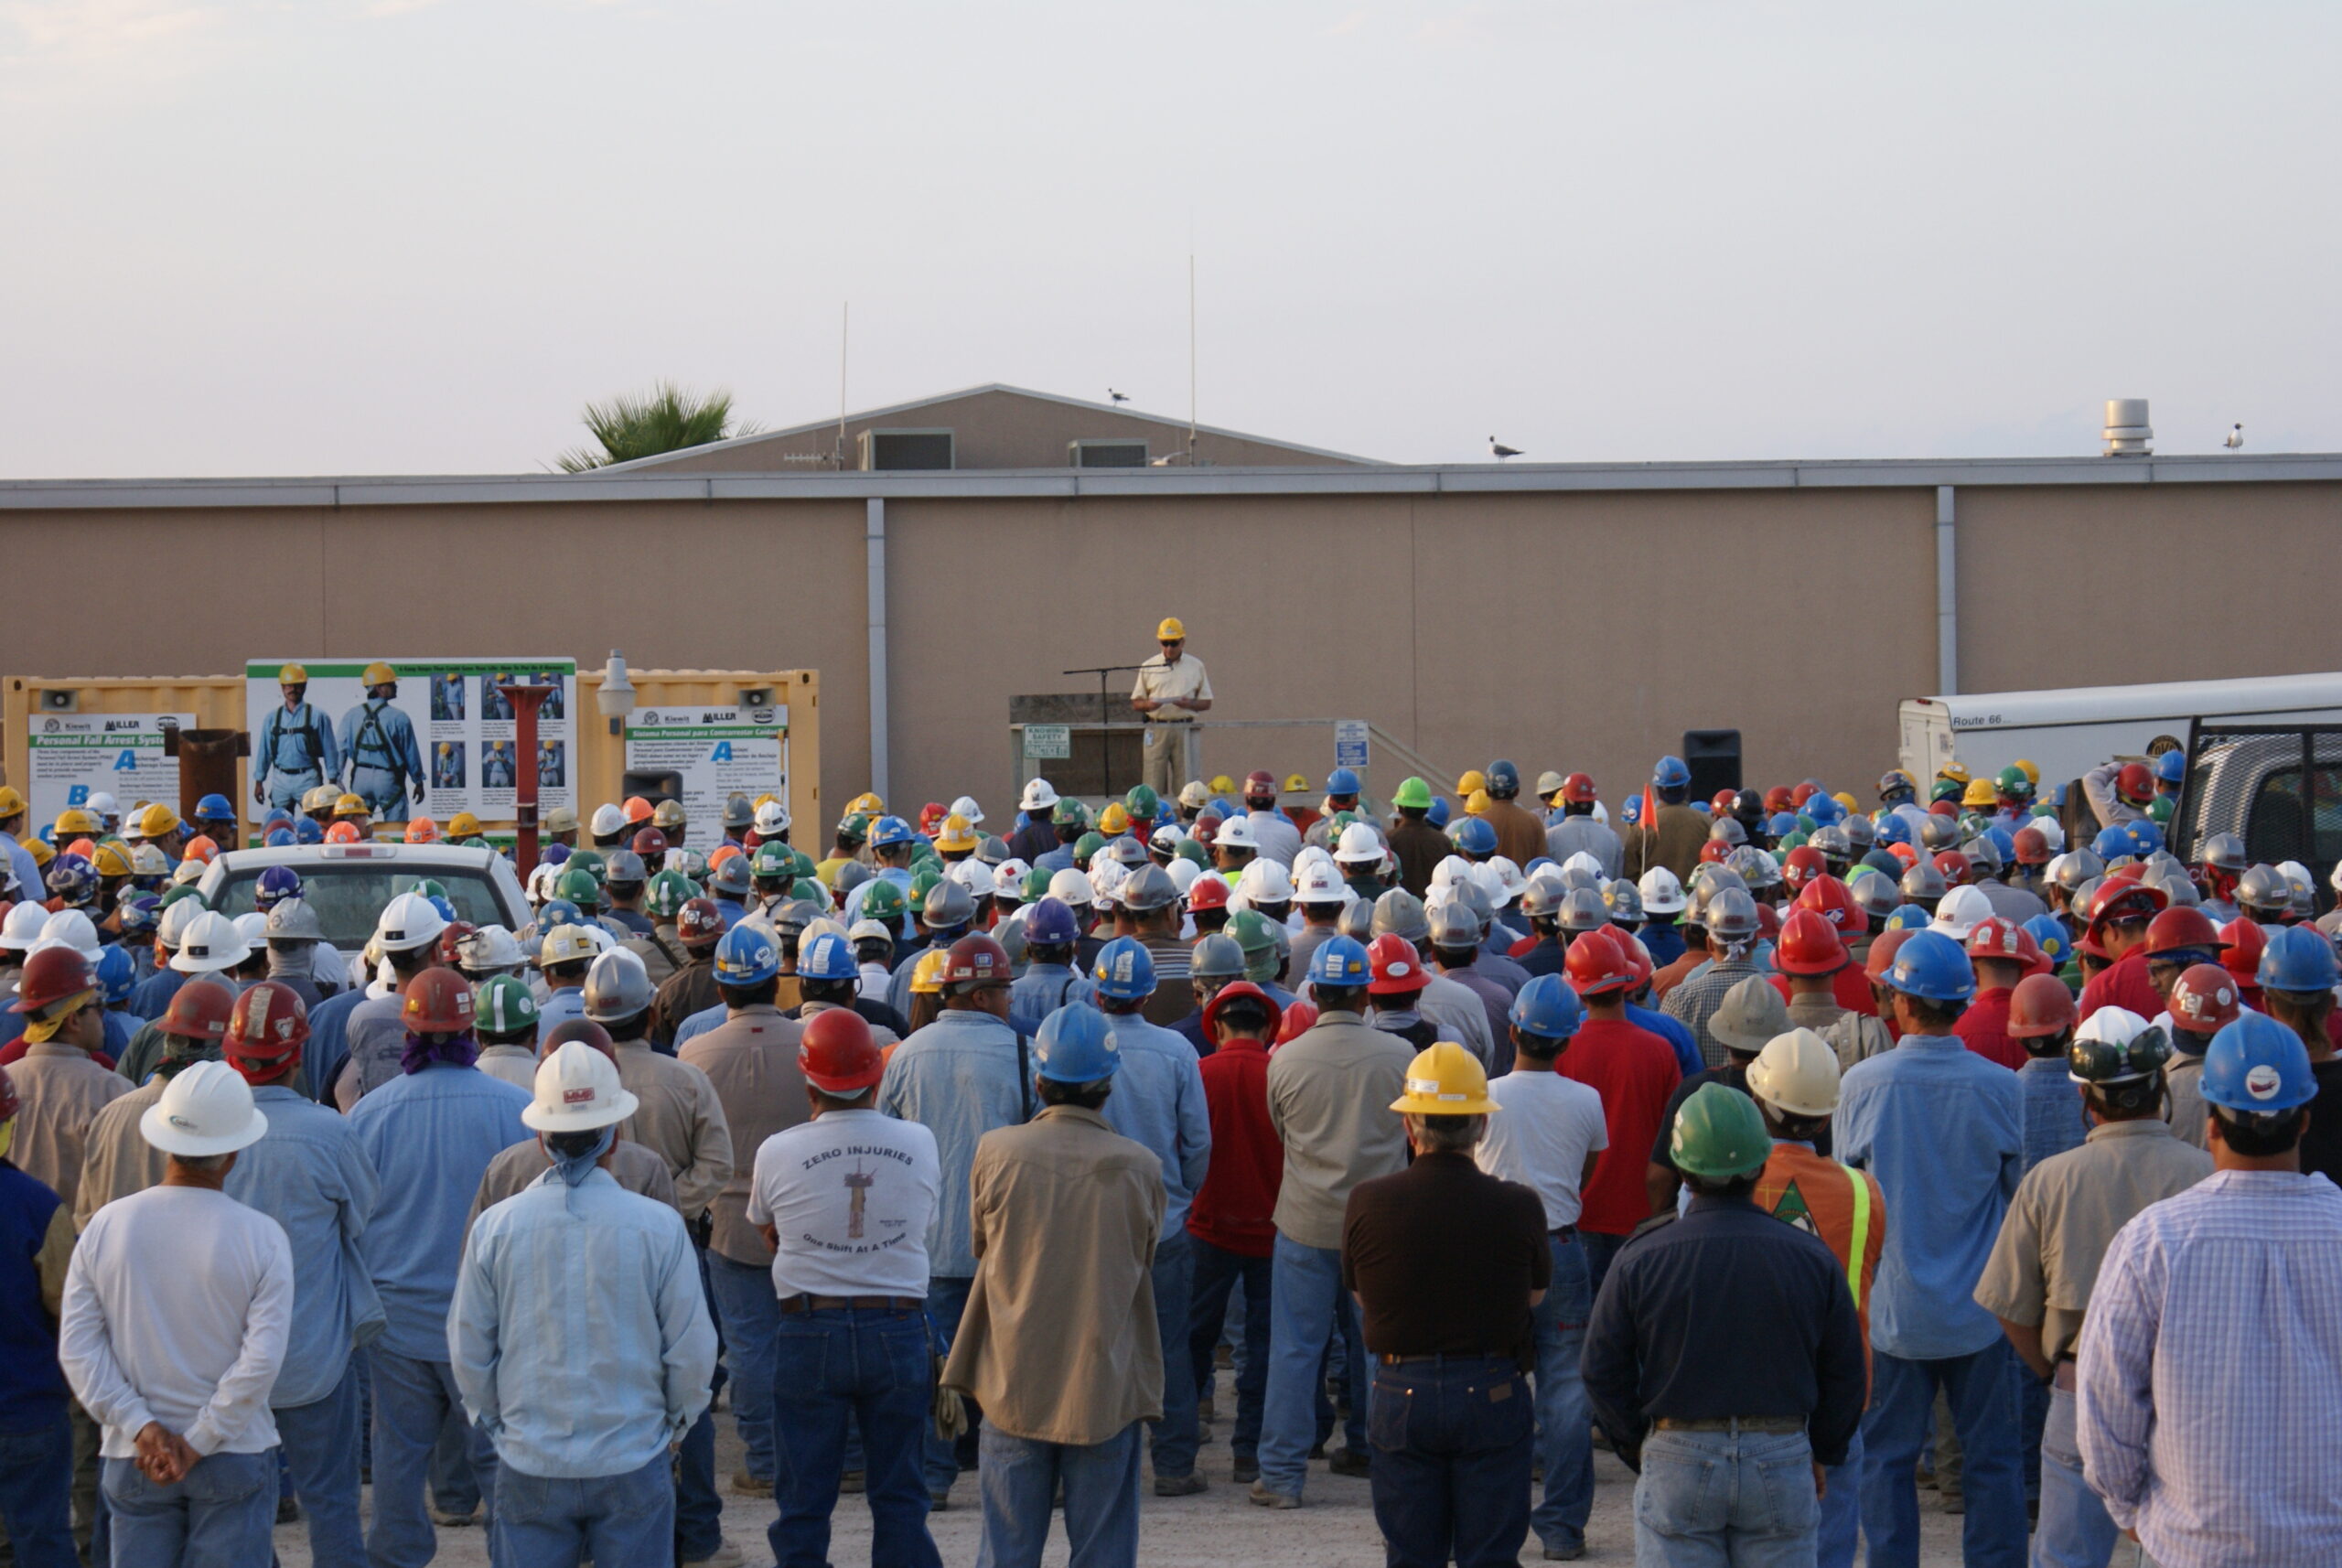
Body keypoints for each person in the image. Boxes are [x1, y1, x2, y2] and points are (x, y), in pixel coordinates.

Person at [2076, 1010, 2342, 1564]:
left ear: (2211, 1124)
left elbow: (2105, 1401)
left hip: (2191, 1546)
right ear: (2304, 1122)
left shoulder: (2154, 1241)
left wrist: (2132, 1512)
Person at [452, 1040, 718, 1568]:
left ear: (540, 1135)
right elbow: (691, 1348)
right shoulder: (658, 1226)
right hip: (632, 1455)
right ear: (616, 1135)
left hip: (530, 1459)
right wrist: (673, 1425)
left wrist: (500, 1425)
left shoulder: (497, 1227)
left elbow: (468, 1347)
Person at [1583, 1083, 1866, 1568]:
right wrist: (1822, 1449)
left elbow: (1600, 1368)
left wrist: (1639, 1444)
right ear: (1760, 1166)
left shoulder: (1642, 1256)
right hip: (1781, 1453)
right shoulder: (1811, 1257)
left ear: (1683, 1170)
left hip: (1677, 1453)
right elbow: (1845, 1369)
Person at [1973, 1007, 2208, 1568]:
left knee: (2065, 1556)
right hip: (2185, 1398)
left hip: (2081, 1392)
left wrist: (2053, 1369)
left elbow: (2009, 1303)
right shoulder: (2206, 1176)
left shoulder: (2050, 1180)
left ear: (2087, 1099)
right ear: (2161, 1087)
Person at [941, 1003, 1165, 1568]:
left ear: (1039, 1083)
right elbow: (1143, 1256)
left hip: (1014, 1377)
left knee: (1008, 1551)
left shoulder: (997, 1151)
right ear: (1107, 1088)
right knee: (1103, 1549)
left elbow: (980, 1245)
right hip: (1102, 1383)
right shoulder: (1140, 1166)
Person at [1834, 929, 2026, 1568]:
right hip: (1981, 1312)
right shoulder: (2002, 1088)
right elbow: (2017, 1199)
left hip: (1892, 1312)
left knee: (1887, 1461)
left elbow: (1847, 1194)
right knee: (1993, 1459)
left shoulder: (1862, 1086)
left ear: (1902, 1002)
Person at [59, 1061, 293, 1568]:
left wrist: (140, 1426)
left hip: (133, 1458)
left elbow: (78, 1349)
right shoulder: (261, 1236)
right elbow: (260, 1363)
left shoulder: (106, 1227)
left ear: (166, 1143)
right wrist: (199, 1440)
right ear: (232, 1153)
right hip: (234, 1454)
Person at [344, 968, 532, 1564]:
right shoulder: (518, 1111)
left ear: (409, 1031)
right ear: (470, 1028)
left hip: (396, 1322)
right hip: (488, 1323)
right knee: (499, 1461)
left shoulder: (370, 1116)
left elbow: (350, 1222)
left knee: (398, 1461)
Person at [747, 1009, 943, 1568]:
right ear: (875, 1078)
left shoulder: (777, 1151)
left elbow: (769, 1231)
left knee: (804, 1499)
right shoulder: (919, 1141)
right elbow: (921, 1218)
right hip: (899, 1328)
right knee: (901, 1493)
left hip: (811, 1330)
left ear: (806, 1077)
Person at [1340, 1041, 1544, 1567]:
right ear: (1480, 1126)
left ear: (1410, 1128)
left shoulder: (1368, 1201)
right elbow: (1535, 1296)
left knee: (1410, 1555)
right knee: (1492, 1555)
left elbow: (1363, 1294)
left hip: (1400, 1395)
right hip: (1493, 1392)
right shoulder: (1519, 1205)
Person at [208, 982, 381, 1567]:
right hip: (314, 1358)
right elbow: (362, 1220)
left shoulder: (202, 1136)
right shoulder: (328, 1133)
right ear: (297, 1054)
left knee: (242, 1512)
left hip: (226, 1364)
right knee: (331, 1504)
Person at [1252, 937, 1413, 1507]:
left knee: (1295, 1350)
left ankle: (1281, 1476)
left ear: (1314, 992)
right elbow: (1413, 1136)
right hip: (1381, 1227)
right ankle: (1384, 1464)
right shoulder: (1400, 1058)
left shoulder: (1285, 1059)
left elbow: (1282, 1134)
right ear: (1367, 992)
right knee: (1380, 1350)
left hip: (1305, 1221)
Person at [875, 933, 1032, 1509]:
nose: (1011, 1001)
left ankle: (936, 1479)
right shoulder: (1024, 1053)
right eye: (1005, 990)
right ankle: (1010, 1477)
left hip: (931, 1242)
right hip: (1004, 1243)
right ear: (984, 995)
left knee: (936, 1368)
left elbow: (884, 1142)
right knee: (1005, 1364)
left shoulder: (908, 1054)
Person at [1741, 1029, 1885, 1568]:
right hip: (1839, 1393)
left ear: (1759, 1104)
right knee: (1830, 1538)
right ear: (1827, 1117)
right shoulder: (1864, 1191)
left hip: (1753, 1387)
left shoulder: (1723, 1183)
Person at [1473, 976, 1605, 1562]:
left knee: (1490, 1384)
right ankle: (1562, 1528)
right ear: (1568, 1042)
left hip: (1496, 1252)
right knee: (1568, 1391)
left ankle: (1489, 1522)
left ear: (1513, 1031)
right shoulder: (1586, 1101)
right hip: (1561, 1247)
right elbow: (1585, 1170)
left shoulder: (1487, 1095)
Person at [678, 923, 807, 1501]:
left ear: (721, 990)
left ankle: (763, 1459)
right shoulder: (808, 1041)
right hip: (805, 1215)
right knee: (806, 1339)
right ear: (774, 981)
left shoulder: (694, 1053)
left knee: (751, 1345)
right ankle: (813, 1454)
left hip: (728, 1221)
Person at [1084, 938, 1211, 1494]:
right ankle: (1175, 1465)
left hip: (1093, 1227)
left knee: (1087, 1344)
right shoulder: (1177, 1050)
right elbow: (1198, 1142)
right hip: (1164, 1223)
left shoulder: (1078, 1044)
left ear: (1097, 988)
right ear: (1150, 993)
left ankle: (1086, 1456)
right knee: (1168, 1347)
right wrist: (1182, 1190)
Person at [1183, 980, 1283, 1487]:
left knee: (1194, 1339)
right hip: (1270, 1232)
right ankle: (1251, 1453)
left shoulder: (1201, 1073)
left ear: (1217, 1026)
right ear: (1267, 1027)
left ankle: (1181, 1444)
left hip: (1207, 1228)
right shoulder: (1280, 1074)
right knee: (1264, 1345)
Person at [1553, 929, 1681, 1295]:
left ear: (1577, 987)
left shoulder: (1563, 1051)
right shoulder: (1659, 1051)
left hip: (1578, 1215)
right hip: (1644, 1215)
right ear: (1628, 980)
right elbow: (1674, 1137)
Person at [0, 1063, 80, 1568]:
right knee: (43, 1542)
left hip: (28, 1408)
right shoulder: (36, 1205)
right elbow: (69, 1308)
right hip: (28, 1410)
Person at [5, 946, 130, 1222]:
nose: (103, 1017)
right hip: (79, 1256)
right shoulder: (114, 1093)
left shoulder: (6, 1083)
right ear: (73, 1019)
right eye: (99, 1006)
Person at [1130, 617, 1213, 800]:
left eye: (1173, 643)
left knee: (1186, 784)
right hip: (1156, 726)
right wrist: (1149, 705)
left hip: (1184, 727)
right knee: (1152, 782)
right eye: (1164, 643)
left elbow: (1206, 702)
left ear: (1183, 642)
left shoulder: (1196, 666)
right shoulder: (1148, 666)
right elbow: (1136, 702)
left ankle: (1185, 822)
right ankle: (1152, 822)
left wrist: (1188, 704)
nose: (1169, 648)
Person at [338, 661, 426, 822]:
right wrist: (418, 781)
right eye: (391, 683)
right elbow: (410, 753)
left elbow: (341, 749)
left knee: (358, 828)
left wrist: (337, 778)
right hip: (388, 779)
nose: (395, 687)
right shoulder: (399, 718)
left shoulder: (351, 715)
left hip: (360, 778)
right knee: (395, 828)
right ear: (379, 688)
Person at [252, 663, 341, 811]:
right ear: (282, 687)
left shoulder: (318, 716)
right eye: (288, 685)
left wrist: (332, 781)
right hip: (281, 778)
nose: (293, 689)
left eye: (297, 685)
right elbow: (265, 751)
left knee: (315, 823)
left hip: (308, 777)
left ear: (304, 686)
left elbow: (330, 750)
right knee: (280, 823)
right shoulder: (272, 719)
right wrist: (259, 781)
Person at [1544, 774, 1621, 878]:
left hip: (1564, 894)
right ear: (1593, 803)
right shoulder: (1612, 838)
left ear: (1567, 802)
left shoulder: (1550, 837)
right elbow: (1618, 880)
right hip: (1603, 894)